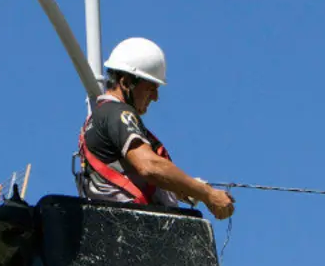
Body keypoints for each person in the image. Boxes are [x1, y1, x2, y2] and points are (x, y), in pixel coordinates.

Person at [76, 37, 235, 220]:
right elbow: (150, 166)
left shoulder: (103, 117)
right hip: (132, 228)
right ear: (126, 82)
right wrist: (208, 193)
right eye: (151, 88)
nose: (155, 97)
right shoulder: (117, 114)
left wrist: (193, 190)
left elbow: (137, 175)